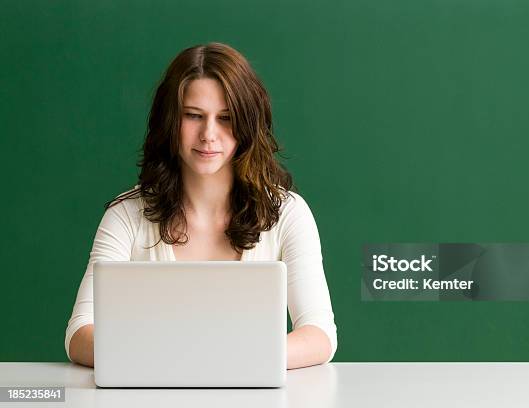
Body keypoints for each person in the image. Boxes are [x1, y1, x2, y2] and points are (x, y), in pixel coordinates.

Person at [64, 43, 337, 370]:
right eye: (193, 116)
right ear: (170, 122)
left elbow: (319, 335)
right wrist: (183, 357)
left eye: (226, 118)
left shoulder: (288, 213)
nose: (209, 134)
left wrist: (220, 358)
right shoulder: (126, 216)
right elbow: (80, 334)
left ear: (247, 126)